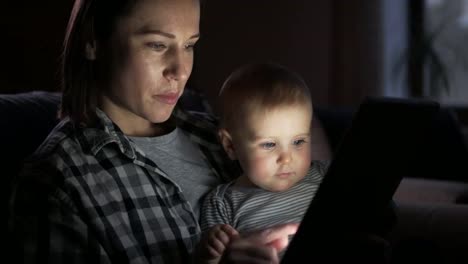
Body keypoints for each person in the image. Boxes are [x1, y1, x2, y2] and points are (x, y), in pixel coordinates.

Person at [8, 0, 297, 263]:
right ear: (93, 41)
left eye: (189, 46)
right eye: (157, 45)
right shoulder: (58, 181)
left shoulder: (219, 137)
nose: (180, 71)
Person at [195, 62, 326, 263]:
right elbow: (216, 258)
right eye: (269, 145)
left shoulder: (325, 176)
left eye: (298, 141)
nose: (287, 158)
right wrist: (212, 254)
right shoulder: (222, 203)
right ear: (230, 146)